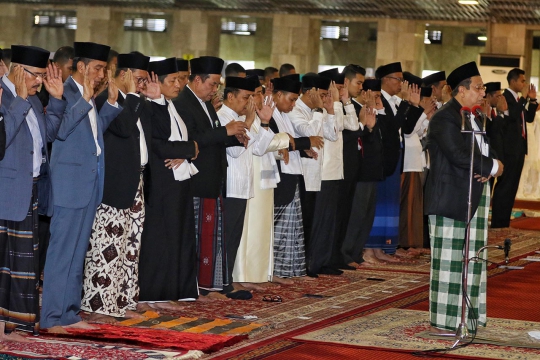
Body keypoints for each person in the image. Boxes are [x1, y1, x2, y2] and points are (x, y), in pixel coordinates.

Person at [41, 42, 122, 330]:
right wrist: (85, 99)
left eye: (104, 69)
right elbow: (60, 132)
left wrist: (110, 104)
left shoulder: (89, 96)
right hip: (68, 185)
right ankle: (50, 317)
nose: (102, 74)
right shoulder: (65, 91)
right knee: (61, 253)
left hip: (89, 184)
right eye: (99, 68)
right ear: (82, 67)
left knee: (77, 254)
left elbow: (91, 132)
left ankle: (69, 314)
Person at [80, 52, 162, 322]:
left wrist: (152, 98)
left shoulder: (138, 102)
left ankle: (123, 299)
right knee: (108, 246)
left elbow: (156, 133)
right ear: (123, 75)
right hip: (113, 185)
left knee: (130, 247)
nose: (140, 85)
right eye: (138, 79)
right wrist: (135, 97)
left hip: (136, 181)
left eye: (143, 80)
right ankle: (98, 305)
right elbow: (124, 128)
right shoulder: (109, 99)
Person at [424, 61, 504, 332]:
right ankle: (444, 322)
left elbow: (480, 151)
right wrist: (491, 167)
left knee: (473, 258)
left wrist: (488, 166)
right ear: (461, 90)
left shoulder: (473, 116)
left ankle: (469, 316)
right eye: (479, 87)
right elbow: (458, 155)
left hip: (473, 195)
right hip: (451, 197)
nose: (484, 92)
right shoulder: (445, 117)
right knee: (449, 262)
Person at [0, 45, 66, 339]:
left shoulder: (33, 98)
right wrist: (18, 98)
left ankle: (17, 322)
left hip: (32, 190)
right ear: (18, 71)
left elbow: (48, 134)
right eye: (36, 75)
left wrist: (56, 99)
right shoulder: (5, 97)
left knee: (25, 265)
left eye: (42, 75)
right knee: (7, 264)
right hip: (8, 191)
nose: (39, 81)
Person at [174, 56, 247, 300]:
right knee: (195, 240)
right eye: (212, 84)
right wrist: (224, 131)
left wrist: (233, 137)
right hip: (196, 181)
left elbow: (213, 137)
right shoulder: (183, 102)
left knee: (209, 240)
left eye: (217, 85)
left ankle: (206, 286)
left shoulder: (205, 103)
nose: (215, 90)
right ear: (197, 80)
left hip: (211, 180)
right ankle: (195, 287)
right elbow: (193, 138)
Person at [138, 57, 201, 309]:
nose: (178, 85)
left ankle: (176, 289)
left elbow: (181, 141)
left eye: (179, 80)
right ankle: (156, 292)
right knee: (160, 239)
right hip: (160, 181)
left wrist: (188, 149)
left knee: (179, 236)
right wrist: (190, 148)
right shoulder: (150, 105)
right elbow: (158, 143)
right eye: (173, 80)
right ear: (157, 82)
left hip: (179, 180)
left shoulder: (170, 105)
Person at [218, 75, 275, 297]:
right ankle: (221, 282)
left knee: (234, 237)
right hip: (229, 185)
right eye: (245, 97)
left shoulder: (245, 117)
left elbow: (260, 148)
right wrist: (250, 121)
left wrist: (265, 121)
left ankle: (228, 280)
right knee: (225, 238)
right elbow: (234, 149)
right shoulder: (224, 117)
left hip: (243, 186)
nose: (250, 102)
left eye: (252, 96)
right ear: (230, 96)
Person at [232, 80, 289, 291]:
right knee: (250, 229)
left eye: (259, 94)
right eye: (255, 94)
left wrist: (272, 131)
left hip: (264, 176)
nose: (258, 98)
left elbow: (267, 144)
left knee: (262, 228)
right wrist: (285, 140)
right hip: (250, 178)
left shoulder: (257, 117)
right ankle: (244, 275)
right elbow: (258, 146)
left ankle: (259, 273)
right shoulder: (242, 117)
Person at [363, 62, 423, 263]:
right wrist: (407, 103)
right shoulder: (379, 100)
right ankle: (371, 248)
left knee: (391, 205)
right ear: (386, 80)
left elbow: (405, 129)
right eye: (398, 79)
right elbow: (389, 129)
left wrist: (413, 105)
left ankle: (385, 247)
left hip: (395, 158)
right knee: (380, 204)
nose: (401, 83)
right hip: (381, 160)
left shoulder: (394, 101)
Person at [270, 75, 315, 281]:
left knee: (292, 228)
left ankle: (291, 270)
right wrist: (303, 143)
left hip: (291, 172)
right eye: (291, 99)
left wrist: (303, 149)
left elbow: (289, 140)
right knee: (278, 228)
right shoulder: (269, 115)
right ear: (278, 95)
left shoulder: (284, 114)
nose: (294, 104)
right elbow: (274, 142)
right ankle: (276, 271)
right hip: (277, 175)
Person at [341, 79, 384, 268]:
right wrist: (362, 123)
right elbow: (351, 137)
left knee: (366, 217)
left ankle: (356, 253)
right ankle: (346, 253)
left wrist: (371, 127)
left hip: (371, 170)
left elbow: (374, 136)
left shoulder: (365, 109)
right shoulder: (351, 108)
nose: (376, 99)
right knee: (355, 215)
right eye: (358, 83)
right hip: (357, 170)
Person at [491, 68, 538, 228]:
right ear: (513, 81)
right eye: (522, 80)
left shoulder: (517, 99)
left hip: (518, 149)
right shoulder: (507, 97)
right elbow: (511, 116)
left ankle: (504, 221)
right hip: (509, 150)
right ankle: (498, 222)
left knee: (512, 187)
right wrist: (524, 99)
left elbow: (528, 118)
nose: (524, 84)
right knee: (505, 186)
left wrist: (532, 101)